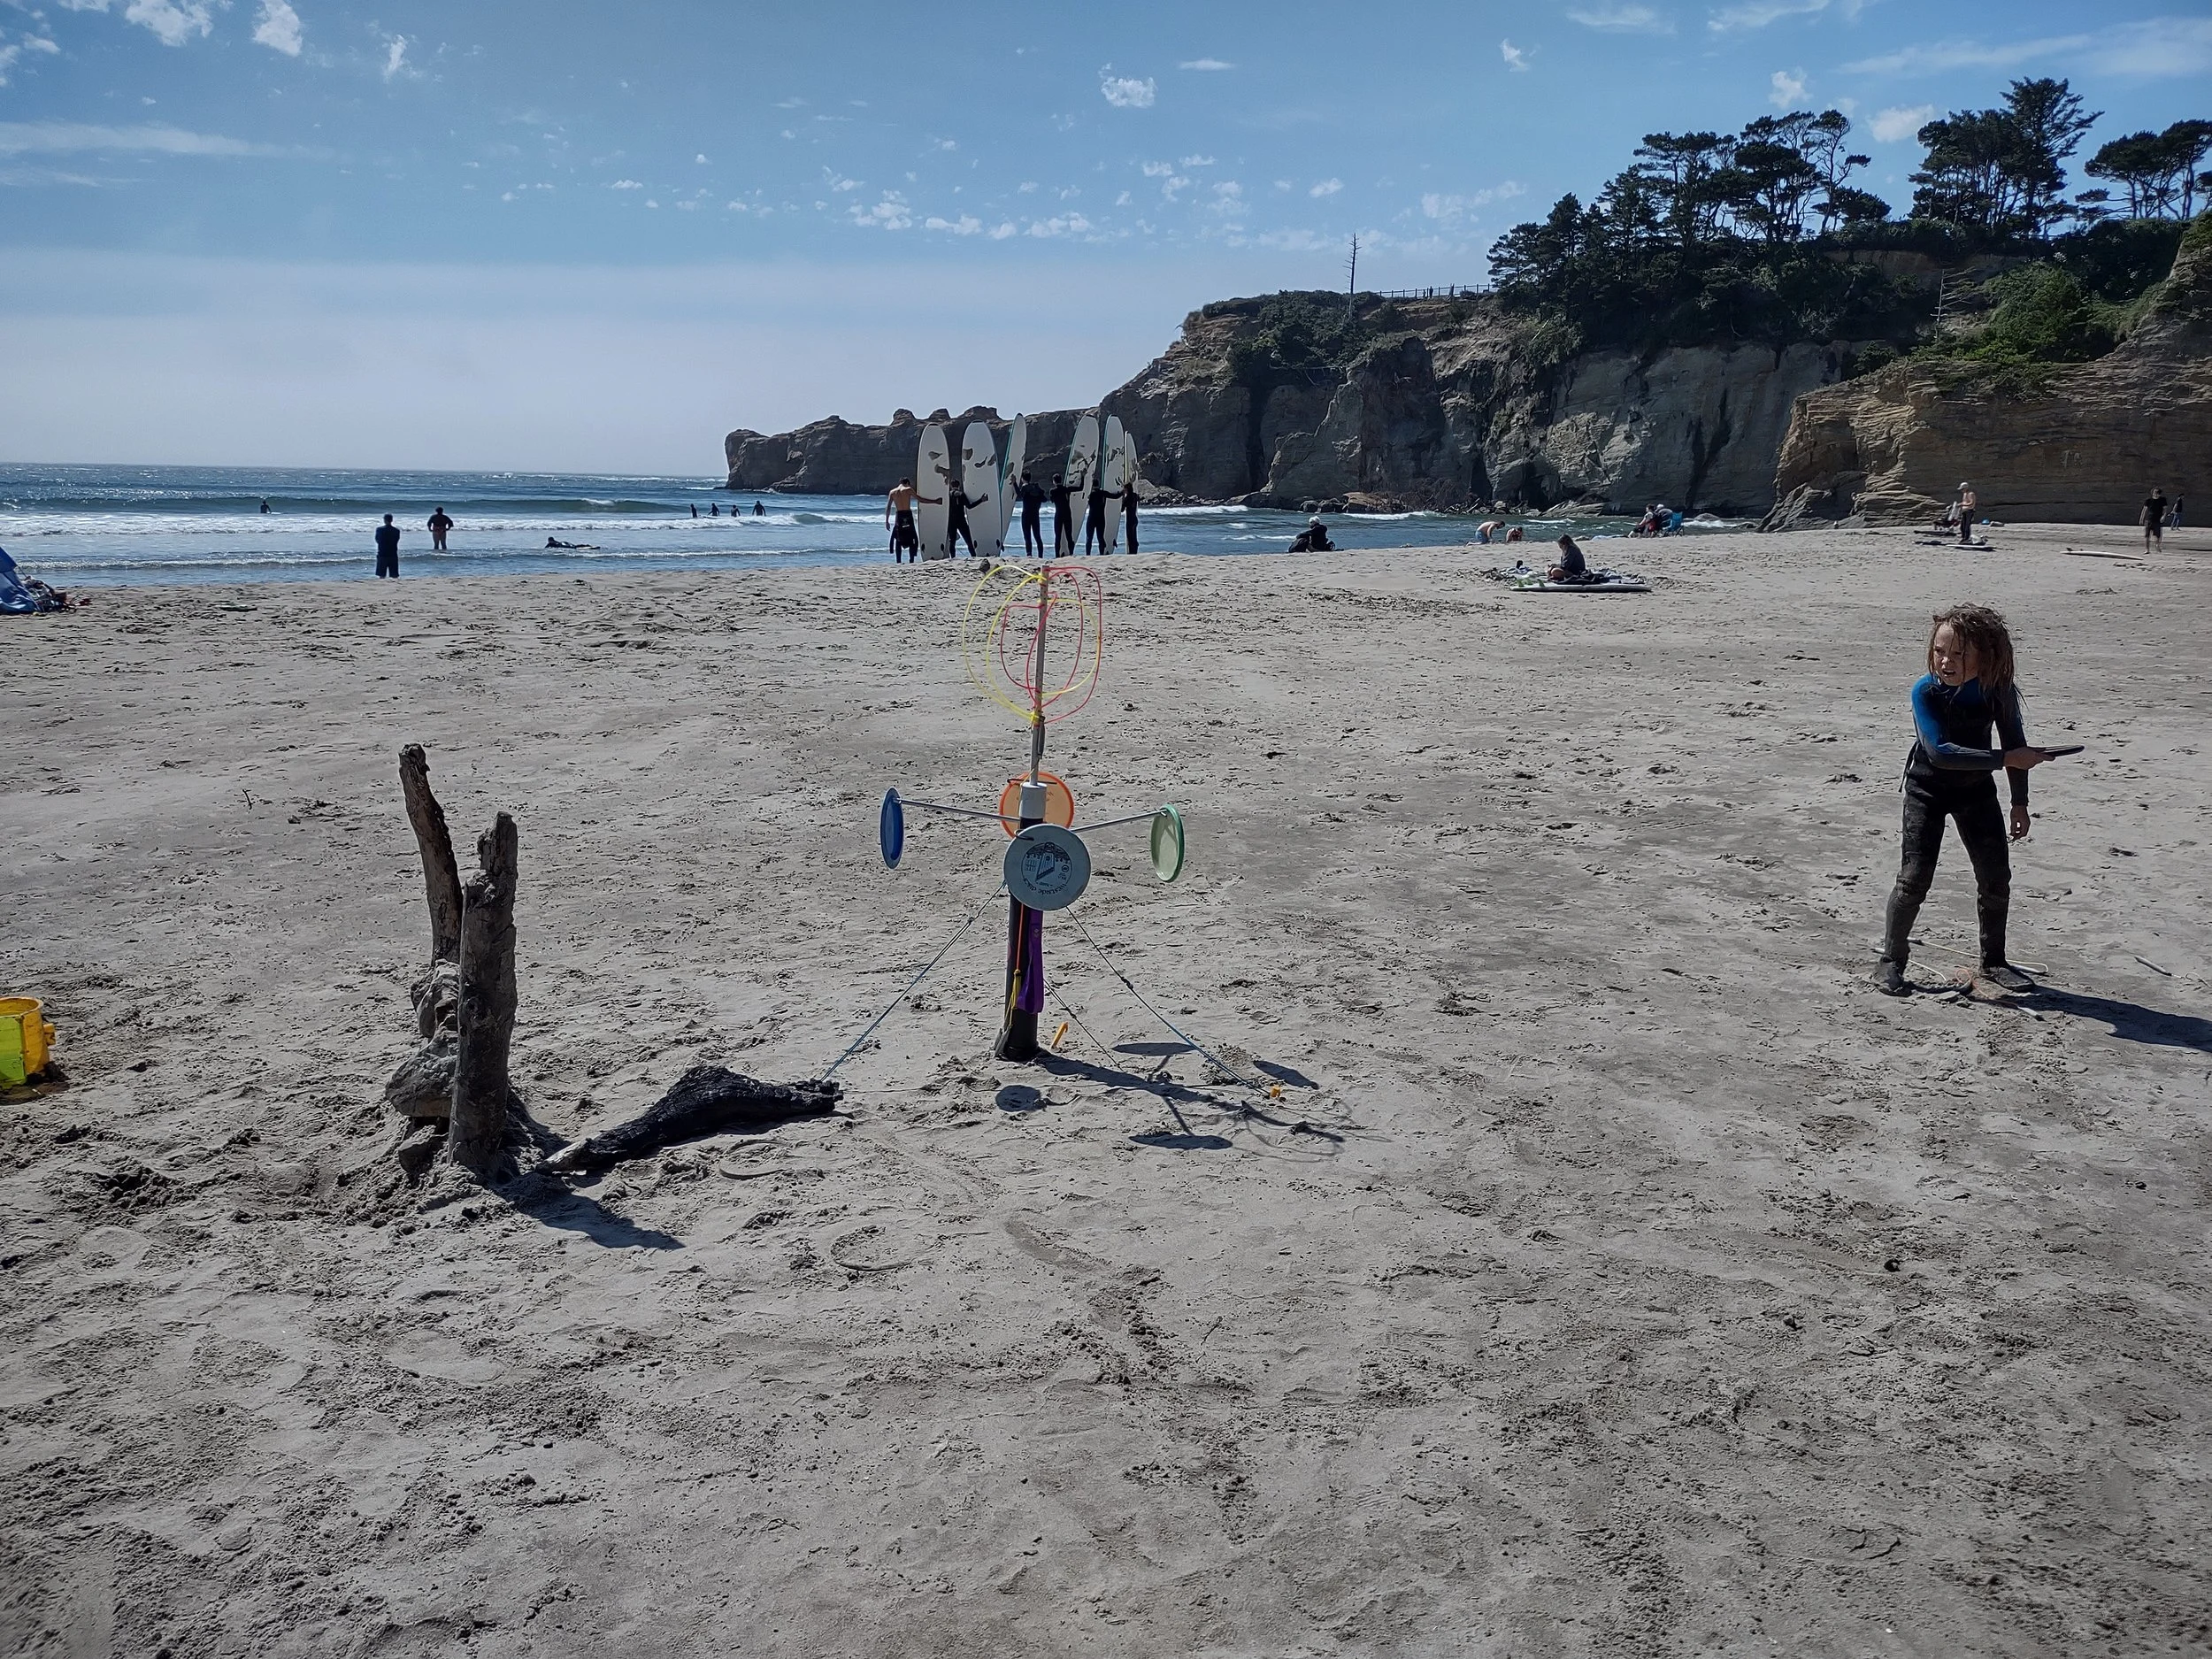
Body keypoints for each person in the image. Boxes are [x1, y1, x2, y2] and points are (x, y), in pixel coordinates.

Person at [1875, 604, 2051, 996]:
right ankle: (1891, 960)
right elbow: (1940, 751)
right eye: (1939, 651)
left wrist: (2019, 802)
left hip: (1975, 791)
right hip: (1927, 790)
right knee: (1914, 878)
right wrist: (2004, 760)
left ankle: (1994, 962)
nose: (1945, 661)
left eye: (1958, 654)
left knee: (1995, 877)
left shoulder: (1996, 690)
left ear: (1983, 656)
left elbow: (2015, 744)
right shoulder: (1925, 691)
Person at [886, 477, 919, 563]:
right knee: (911, 537)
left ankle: (898, 561)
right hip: (907, 515)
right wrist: (934, 501)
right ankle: (911, 560)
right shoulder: (908, 489)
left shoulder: (892, 492)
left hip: (899, 515)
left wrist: (887, 521)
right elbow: (920, 499)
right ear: (907, 483)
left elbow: (888, 507)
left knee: (898, 537)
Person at [1015, 472, 1048, 557]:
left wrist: (1015, 483)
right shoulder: (1036, 488)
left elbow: (1020, 495)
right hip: (1035, 515)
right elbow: (1044, 499)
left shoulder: (1025, 487)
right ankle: (1040, 556)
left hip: (1026, 515)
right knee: (1037, 536)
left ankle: (1029, 554)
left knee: (1027, 536)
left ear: (1022, 479)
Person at [1083, 475, 1110, 556]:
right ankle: (1101, 554)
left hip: (1092, 518)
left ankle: (1088, 554)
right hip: (1101, 518)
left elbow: (1087, 503)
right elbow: (1114, 496)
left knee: (1089, 538)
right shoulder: (1103, 493)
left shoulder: (1091, 494)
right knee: (1101, 537)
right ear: (1098, 484)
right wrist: (1122, 492)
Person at [1048, 475, 1074, 557]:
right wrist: (1083, 477)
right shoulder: (1066, 489)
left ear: (1054, 481)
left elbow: (1052, 500)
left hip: (1059, 514)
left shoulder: (1052, 491)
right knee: (1069, 536)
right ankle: (1071, 553)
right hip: (1067, 513)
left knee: (1058, 537)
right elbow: (1080, 488)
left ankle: (1057, 555)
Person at [373, 513, 402, 579]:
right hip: (393, 553)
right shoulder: (396, 530)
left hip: (382, 553)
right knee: (394, 575)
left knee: (382, 574)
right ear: (391, 520)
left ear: (384, 520)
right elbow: (397, 540)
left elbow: (377, 540)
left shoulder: (379, 529)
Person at [2142, 486, 2169, 551]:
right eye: (2154, 493)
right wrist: (2142, 518)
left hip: (2157, 520)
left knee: (2158, 535)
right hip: (2149, 520)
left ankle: (2157, 545)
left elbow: (2165, 509)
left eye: (2157, 493)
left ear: (2159, 494)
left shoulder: (2163, 500)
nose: (2156, 495)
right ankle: (2147, 549)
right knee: (2147, 536)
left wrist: (2163, 516)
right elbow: (2144, 510)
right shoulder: (2148, 500)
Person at [1955, 480, 1978, 546]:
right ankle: (1964, 538)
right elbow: (1964, 502)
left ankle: (1967, 538)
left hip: (1969, 511)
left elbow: (1971, 503)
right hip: (1964, 511)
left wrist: (1963, 505)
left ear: (1966, 488)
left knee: (1967, 525)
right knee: (1962, 526)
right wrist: (1960, 505)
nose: (1962, 491)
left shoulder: (1971, 494)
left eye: (1962, 489)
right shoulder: (1965, 494)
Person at [1122, 482, 1140, 556]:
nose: (1124, 490)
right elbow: (1139, 498)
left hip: (1129, 519)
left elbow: (1122, 510)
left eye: (1125, 489)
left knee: (1130, 537)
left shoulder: (1127, 498)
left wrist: (1122, 499)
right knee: (1134, 536)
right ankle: (1135, 551)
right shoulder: (1135, 495)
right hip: (1135, 519)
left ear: (1127, 489)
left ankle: (1132, 553)